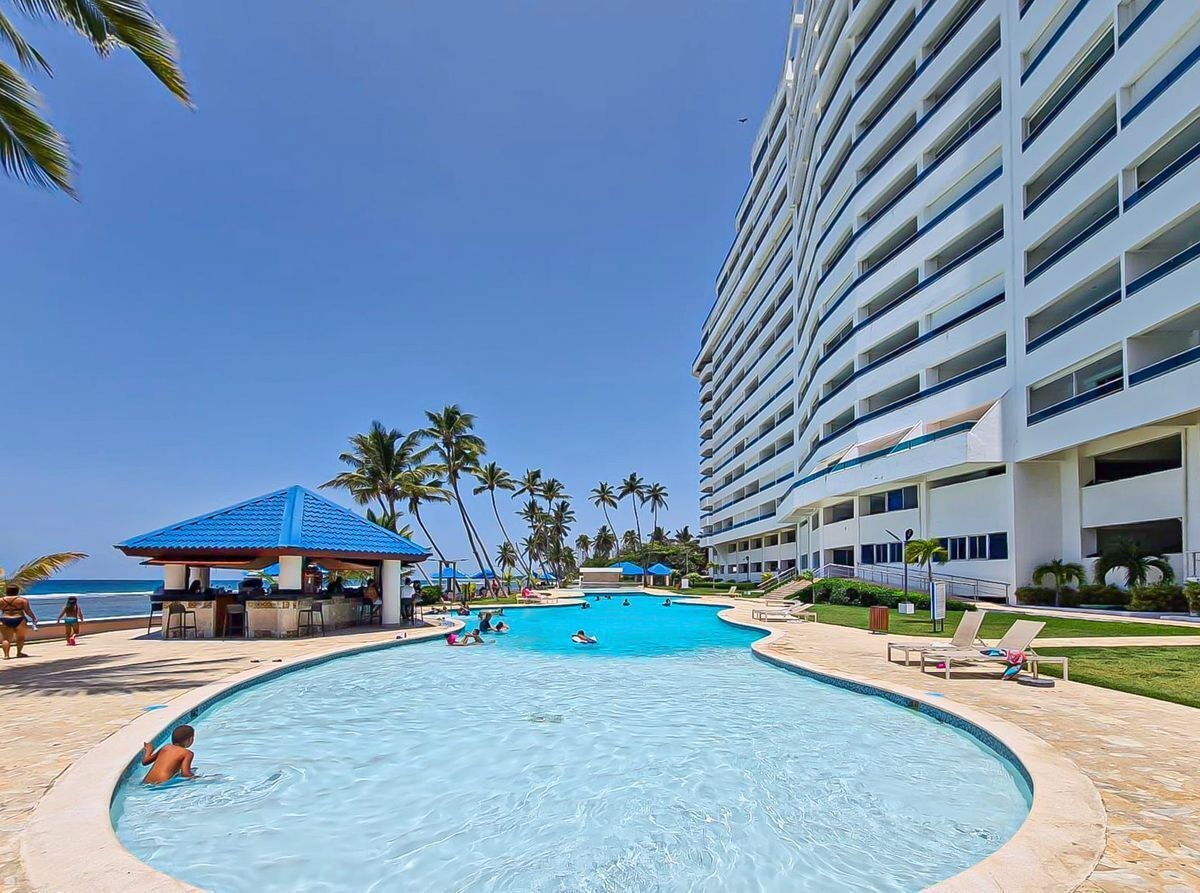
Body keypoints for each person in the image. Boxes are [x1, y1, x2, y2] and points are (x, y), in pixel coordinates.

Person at [0, 585, 37, 659]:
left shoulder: (1, 600)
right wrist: (33, 617)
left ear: (7, 591)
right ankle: (19, 653)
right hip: (19, 619)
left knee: (6, 638)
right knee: (20, 637)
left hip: (5, 618)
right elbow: (27, 611)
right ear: (17, 591)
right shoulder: (22, 600)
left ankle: (6, 655)